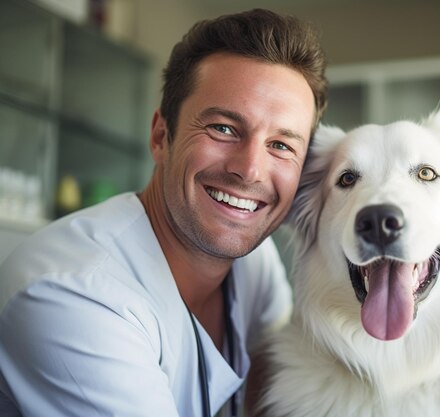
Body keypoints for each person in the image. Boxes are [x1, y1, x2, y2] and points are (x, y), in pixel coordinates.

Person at [0, 8, 327, 417]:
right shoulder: (74, 295)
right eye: (223, 128)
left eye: (282, 145)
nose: (249, 170)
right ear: (160, 136)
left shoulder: (252, 264)